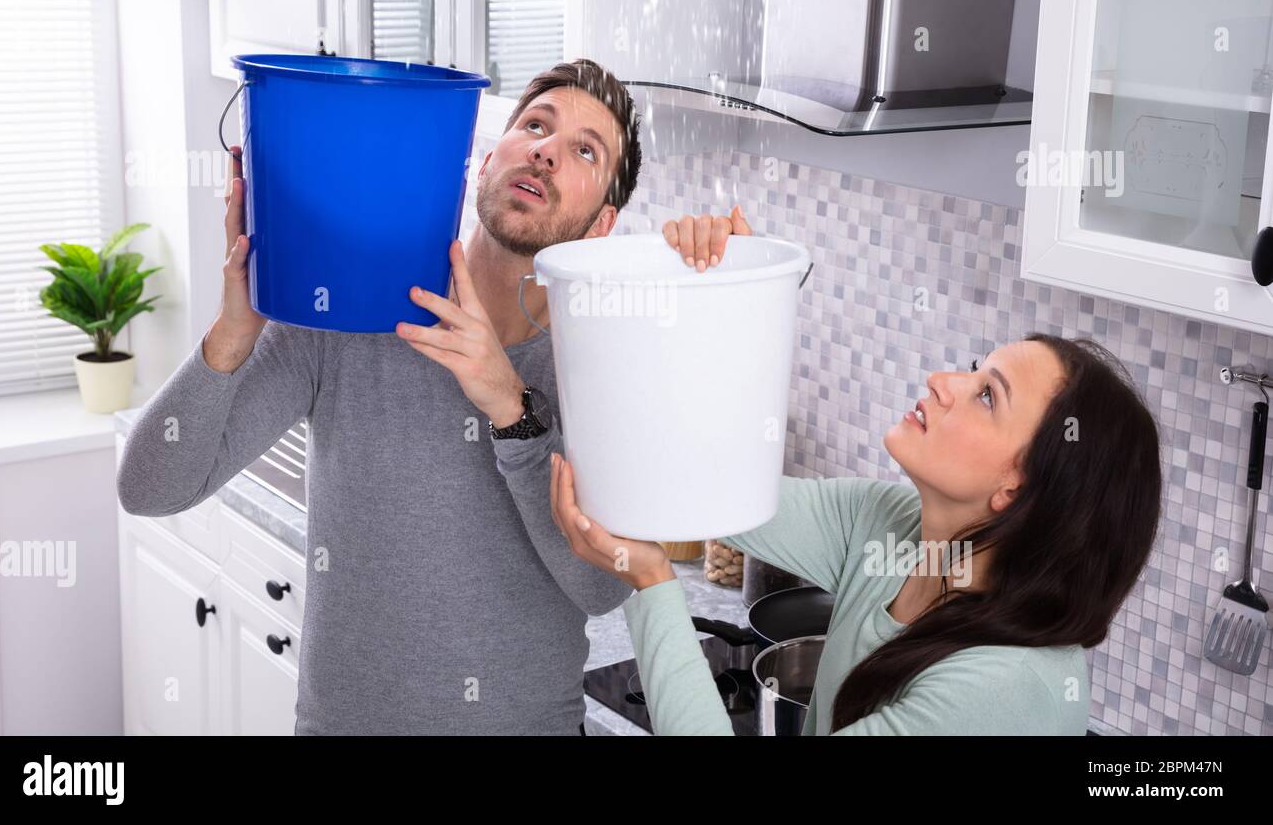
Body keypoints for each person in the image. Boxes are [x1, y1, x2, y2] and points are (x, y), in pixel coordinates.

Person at [121, 58, 682, 734]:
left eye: (583, 151)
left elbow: (602, 585)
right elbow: (149, 488)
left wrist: (511, 409)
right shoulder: (349, 316)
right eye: (536, 125)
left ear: (602, 224)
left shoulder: (597, 365)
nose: (546, 151)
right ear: (481, 162)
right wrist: (233, 331)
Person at [551, 221, 1163, 734]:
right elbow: (698, 478)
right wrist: (725, 306)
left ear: (1017, 489)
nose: (944, 381)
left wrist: (653, 581)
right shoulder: (892, 529)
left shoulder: (999, 692)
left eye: (985, 396)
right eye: (976, 369)